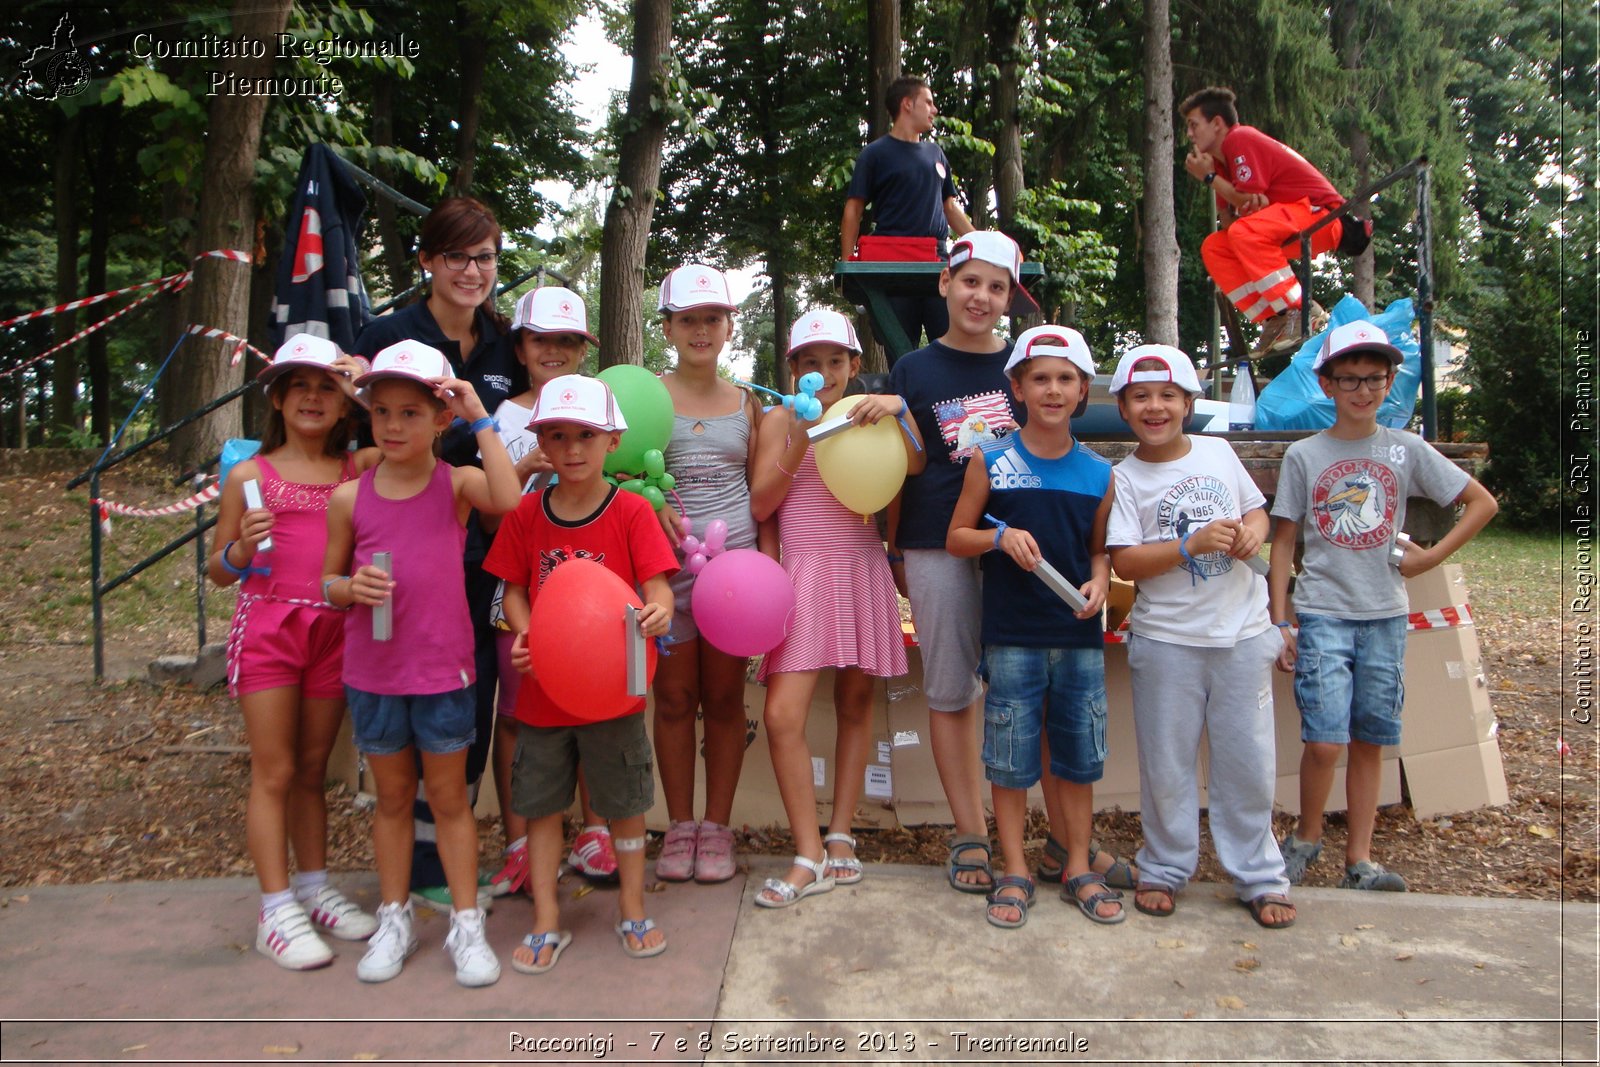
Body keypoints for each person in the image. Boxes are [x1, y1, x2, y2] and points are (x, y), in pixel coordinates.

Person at [1270, 322, 1498, 892]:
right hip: (1322, 610)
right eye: (1349, 378)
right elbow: (1282, 542)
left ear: (1391, 382)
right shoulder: (1305, 455)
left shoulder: (1405, 449)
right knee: (1324, 738)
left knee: (1371, 737)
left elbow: (1480, 502)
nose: (1362, 390)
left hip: (1385, 615)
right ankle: (1306, 836)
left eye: (1374, 378)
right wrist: (1279, 618)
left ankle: (1360, 859)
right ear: (1326, 383)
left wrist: (1431, 559)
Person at [322, 340, 522, 987]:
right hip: (374, 675)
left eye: (412, 412)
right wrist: (350, 589)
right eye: (382, 412)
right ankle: (395, 914)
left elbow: (511, 499)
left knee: (448, 800)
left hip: (443, 673)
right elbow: (326, 580)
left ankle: (466, 921)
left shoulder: (456, 484)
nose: (394, 425)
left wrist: (479, 415)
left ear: (439, 418)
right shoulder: (350, 498)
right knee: (392, 799)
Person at [350, 196, 525, 913]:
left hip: (490, 552)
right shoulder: (388, 335)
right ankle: (418, 857)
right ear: (426, 260)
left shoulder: (505, 345)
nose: (472, 271)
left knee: (471, 702)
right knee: (402, 701)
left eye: (485, 256)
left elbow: (518, 443)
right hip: (409, 548)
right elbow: (353, 452)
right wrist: (425, 461)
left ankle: (449, 843)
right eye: (456, 255)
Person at [482, 375, 679, 972]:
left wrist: (659, 611)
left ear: (612, 440)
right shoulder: (525, 514)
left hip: (615, 693)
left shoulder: (633, 511)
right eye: (558, 435)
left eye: (586, 435)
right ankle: (547, 919)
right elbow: (513, 590)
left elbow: (658, 588)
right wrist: (526, 631)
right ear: (540, 439)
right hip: (544, 694)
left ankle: (633, 907)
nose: (572, 448)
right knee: (542, 807)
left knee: (624, 803)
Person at [1104, 344, 1295, 929]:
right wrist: (1189, 544)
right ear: (1122, 407)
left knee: (1249, 762)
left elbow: (1257, 511)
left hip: (1242, 635)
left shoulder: (1216, 453)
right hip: (1166, 642)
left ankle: (1260, 876)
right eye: (1141, 396)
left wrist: (1251, 534)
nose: (1155, 407)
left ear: (1189, 404)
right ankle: (1163, 867)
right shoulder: (1126, 477)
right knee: (1166, 764)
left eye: (1168, 396)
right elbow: (1127, 562)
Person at [210, 334, 380, 970]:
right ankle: (275, 908)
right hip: (270, 630)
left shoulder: (356, 469)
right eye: (298, 386)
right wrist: (241, 551)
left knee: (313, 770)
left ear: (344, 405)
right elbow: (220, 571)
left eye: (326, 388)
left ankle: (313, 887)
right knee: (275, 771)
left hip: (335, 631)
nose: (312, 397)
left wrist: (360, 380)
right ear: (277, 398)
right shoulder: (251, 475)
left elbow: (411, 443)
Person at [746, 310, 924, 906]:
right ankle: (807, 851)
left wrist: (899, 411)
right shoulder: (775, 420)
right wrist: (799, 437)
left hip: (859, 563)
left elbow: (916, 464)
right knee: (782, 715)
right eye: (809, 363)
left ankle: (842, 833)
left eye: (835, 362)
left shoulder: (867, 416)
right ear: (791, 368)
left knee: (854, 702)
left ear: (853, 367)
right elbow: (763, 503)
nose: (821, 374)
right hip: (800, 570)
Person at [947, 326, 1116, 929]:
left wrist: (1100, 580)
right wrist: (997, 535)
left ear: (1082, 392)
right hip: (1012, 637)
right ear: (1016, 388)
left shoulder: (1099, 472)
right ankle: (1015, 867)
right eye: (1039, 378)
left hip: (1078, 639)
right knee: (1010, 761)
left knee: (1077, 758)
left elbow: (1099, 551)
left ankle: (1077, 865)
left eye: (1065, 379)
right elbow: (956, 537)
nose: (1052, 389)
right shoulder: (991, 459)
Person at [482, 286, 618, 892]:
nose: (555, 351)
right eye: (543, 339)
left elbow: (616, 489)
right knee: (517, 712)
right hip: (521, 591)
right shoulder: (502, 418)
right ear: (521, 346)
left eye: (568, 341)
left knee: (588, 703)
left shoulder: (594, 412)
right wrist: (525, 465)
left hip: (589, 592)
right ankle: (521, 840)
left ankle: (594, 833)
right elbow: (490, 514)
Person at [650, 264, 761, 885]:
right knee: (672, 699)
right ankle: (680, 824)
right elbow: (622, 478)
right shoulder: (645, 398)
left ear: (728, 326)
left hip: (733, 577)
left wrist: (765, 565)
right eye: (688, 319)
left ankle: (716, 827)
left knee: (722, 700)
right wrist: (649, 501)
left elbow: (760, 486)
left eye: (711, 319)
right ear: (667, 327)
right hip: (666, 574)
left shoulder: (748, 402)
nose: (701, 330)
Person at [1180, 86, 1358, 355]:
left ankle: (1302, 309)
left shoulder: (1239, 138)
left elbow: (1246, 199)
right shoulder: (1218, 163)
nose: (1189, 134)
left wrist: (1210, 179)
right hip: (1287, 223)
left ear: (1217, 123)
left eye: (1194, 125)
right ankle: (1277, 317)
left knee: (1244, 232)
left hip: (1323, 216)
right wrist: (1239, 201)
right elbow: (1231, 220)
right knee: (1215, 247)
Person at [841, 75, 976, 354]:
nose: (934, 109)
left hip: (938, 265)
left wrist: (988, 243)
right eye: (928, 102)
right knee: (900, 355)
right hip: (892, 269)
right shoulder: (874, 154)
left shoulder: (935, 153)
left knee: (955, 349)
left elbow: (949, 208)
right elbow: (853, 209)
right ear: (907, 104)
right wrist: (849, 266)